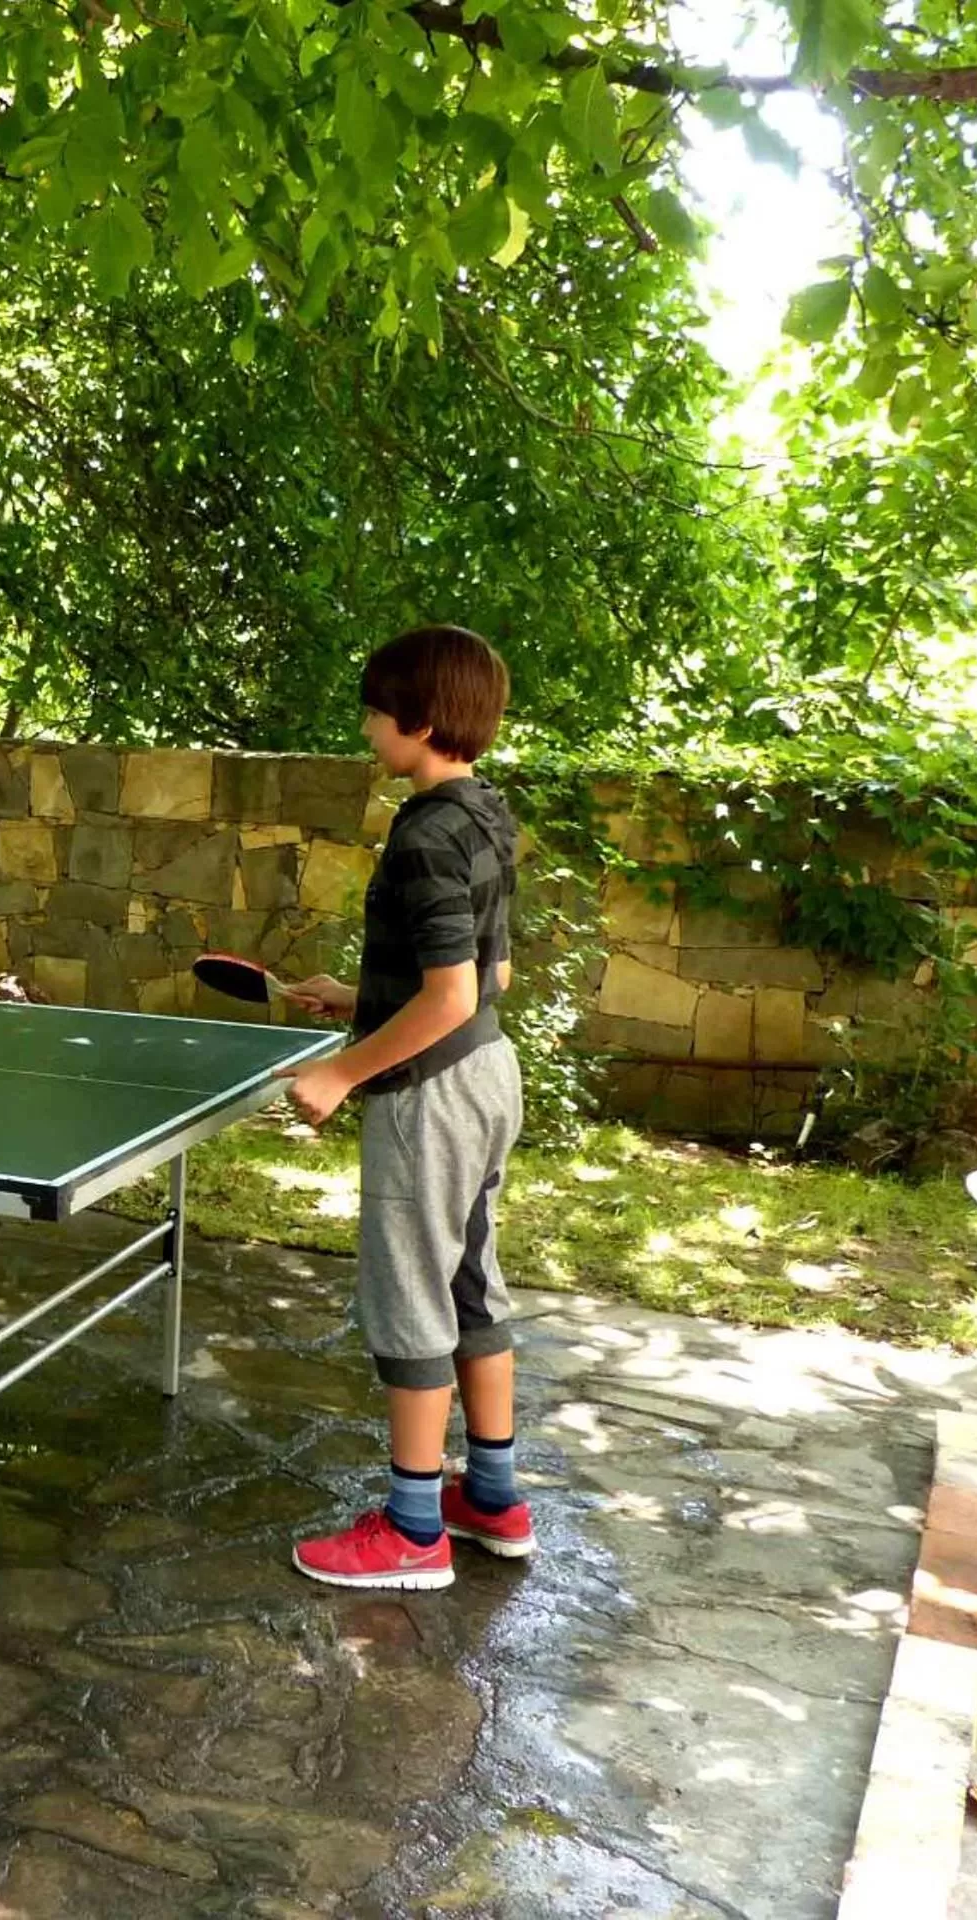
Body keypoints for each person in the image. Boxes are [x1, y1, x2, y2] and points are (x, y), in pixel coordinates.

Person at [275, 624, 533, 1591]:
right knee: (470, 1287)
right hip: (486, 1075)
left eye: (377, 711)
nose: (367, 725)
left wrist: (342, 1072)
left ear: (417, 722)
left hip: (430, 1097)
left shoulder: (424, 834)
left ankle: (415, 1527)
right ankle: (493, 1498)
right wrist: (355, 998)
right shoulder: (484, 814)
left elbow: (452, 993)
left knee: (411, 1298)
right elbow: (488, 971)